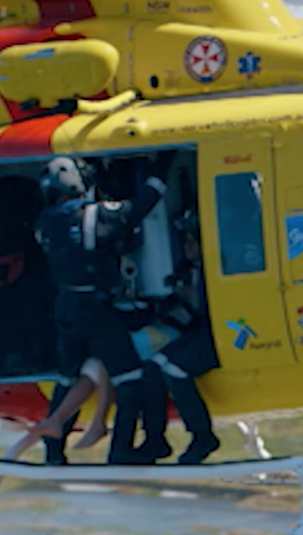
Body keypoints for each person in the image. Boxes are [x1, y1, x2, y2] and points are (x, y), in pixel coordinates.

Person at [33, 155, 166, 465]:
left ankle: (53, 453)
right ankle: (121, 450)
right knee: (129, 377)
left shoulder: (45, 224)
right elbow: (137, 209)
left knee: (67, 378)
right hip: (96, 308)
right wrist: (158, 175)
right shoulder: (93, 216)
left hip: (66, 307)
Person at [130, 221, 221, 464]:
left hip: (222, 336)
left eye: (192, 242)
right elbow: (187, 313)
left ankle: (203, 436)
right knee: (152, 366)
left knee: (173, 367)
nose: (187, 248)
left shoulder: (214, 270)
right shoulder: (187, 271)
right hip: (199, 333)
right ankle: (154, 440)